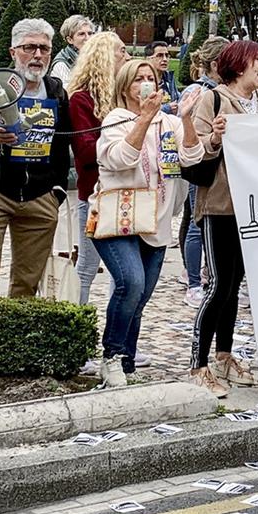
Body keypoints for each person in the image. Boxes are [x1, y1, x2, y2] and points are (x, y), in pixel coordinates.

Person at [181, 38, 258, 395]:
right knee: (218, 283)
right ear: (240, 65)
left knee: (234, 284)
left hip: (251, 207)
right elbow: (194, 151)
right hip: (219, 204)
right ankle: (197, 364)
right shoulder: (213, 98)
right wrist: (216, 138)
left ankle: (224, 354)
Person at [91, 55, 186, 386]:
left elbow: (188, 158)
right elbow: (119, 159)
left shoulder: (169, 122)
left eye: (151, 77)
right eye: (138, 78)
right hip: (119, 218)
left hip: (156, 220)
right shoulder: (116, 119)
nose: (146, 82)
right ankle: (112, 356)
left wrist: (190, 123)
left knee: (140, 296)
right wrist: (143, 119)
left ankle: (127, 362)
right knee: (129, 283)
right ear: (125, 87)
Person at [0, 20, 71, 297]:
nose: (38, 55)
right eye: (30, 48)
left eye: (44, 48)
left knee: (28, 282)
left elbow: (62, 142)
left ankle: (16, 337)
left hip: (40, 194)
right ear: (13, 51)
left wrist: (57, 191)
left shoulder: (56, 91)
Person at [65, 30, 126, 304]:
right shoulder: (81, 99)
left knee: (124, 273)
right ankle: (78, 324)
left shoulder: (123, 96)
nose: (127, 56)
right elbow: (85, 150)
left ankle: (117, 337)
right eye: (121, 51)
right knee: (88, 266)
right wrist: (118, 142)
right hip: (93, 194)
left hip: (125, 191)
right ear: (104, 57)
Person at [177, 36, 228, 307]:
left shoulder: (223, 90)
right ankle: (193, 280)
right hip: (200, 163)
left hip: (217, 165)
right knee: (197, 222)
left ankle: (205, 274)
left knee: (200, 221)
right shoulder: (198, 91)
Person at [50, 14, 95, 85]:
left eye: (90, 33)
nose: (88, 38)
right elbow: (69, 93)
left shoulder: (96, 57)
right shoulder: (62, 64)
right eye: (81, 34)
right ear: (70, 40)